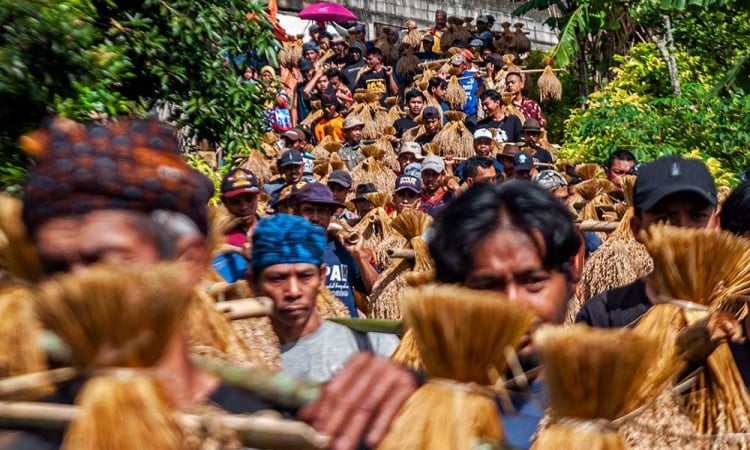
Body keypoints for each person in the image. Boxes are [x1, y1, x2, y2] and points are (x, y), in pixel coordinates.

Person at [12, 118, 418, 450]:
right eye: (54, 268)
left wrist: (414, 390)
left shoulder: (278, 427)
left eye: (105, 260)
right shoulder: (26, 426)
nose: (77, 286)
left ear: (187, 261)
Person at [428, 182, 581, 450]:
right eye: (488, 286)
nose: (513, 305)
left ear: (571, 281)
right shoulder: (422, 407)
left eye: (533, 281)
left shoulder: (615, 405)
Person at [250, 214, 399, 383]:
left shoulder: (376, 347)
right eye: (277, 278)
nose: (293, 291)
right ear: (253, 284)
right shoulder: (249, 369)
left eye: (305, 276)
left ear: (321, 278)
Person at [576, 155, 718, 328]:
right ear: (637, 229)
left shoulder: (739, 310)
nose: (683, 230)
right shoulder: (601, 316)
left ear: (717, 224)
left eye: (697, 216)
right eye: (665, 218)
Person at [292, 183, 378, 317]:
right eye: (308, 210)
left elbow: (376, 290)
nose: (315, 217)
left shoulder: (343, 247)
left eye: (322, 211)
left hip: (348, 333)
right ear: (298, 213)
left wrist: (359, 255)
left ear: (330, 215)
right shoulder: (289, 250)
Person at [212, 168, 261, 282]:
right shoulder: (218, 239)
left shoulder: (272, 230)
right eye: (235, 202)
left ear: (258, 197)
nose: (244, 207)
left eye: (249, 200)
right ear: (224, 201)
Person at [450, 53, 481, 127]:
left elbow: (482, 88)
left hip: (471, 114)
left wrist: (479, 80)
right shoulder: (450, 78)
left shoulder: (473, 75)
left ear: (464, 65)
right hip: (457, 114)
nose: (455, 68)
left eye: (457, 66)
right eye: (454, 65)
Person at [292, 58, 315, 126]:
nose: (306, 74)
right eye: (303, 72)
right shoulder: (299, 87)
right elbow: (294, 107)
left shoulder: (318, 84)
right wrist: (294, 124)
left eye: (308, 71)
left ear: (313, 69)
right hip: (303, 122)